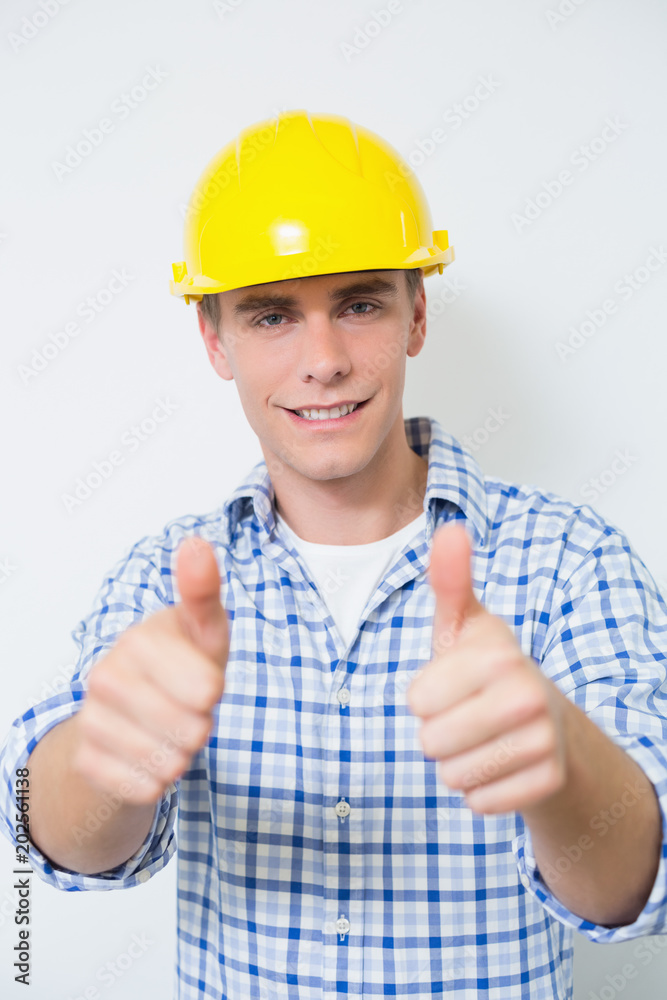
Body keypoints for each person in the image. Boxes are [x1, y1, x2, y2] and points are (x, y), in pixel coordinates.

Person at [1, 109, 667, 1000]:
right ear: (214, 341)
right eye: (271, 315)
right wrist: (103, 763)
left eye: (358, 304)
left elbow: (636, 893)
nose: (323, 361)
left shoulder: (569, 562)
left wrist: (556, 757)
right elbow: (62, 848)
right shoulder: (168, 577)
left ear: (416, 314)